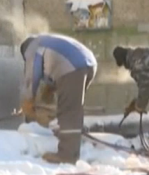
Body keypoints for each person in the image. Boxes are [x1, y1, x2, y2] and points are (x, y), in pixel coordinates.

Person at [20, 34, 97, 164]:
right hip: (89, 64)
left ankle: (67, 155)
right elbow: (51, 71)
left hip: (72, 66)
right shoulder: (48, 42)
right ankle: (70, 139)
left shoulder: (32, 47)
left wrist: (28, 101)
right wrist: (48, 91)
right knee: (72, 106)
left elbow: (32, 75)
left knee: (68, 111)